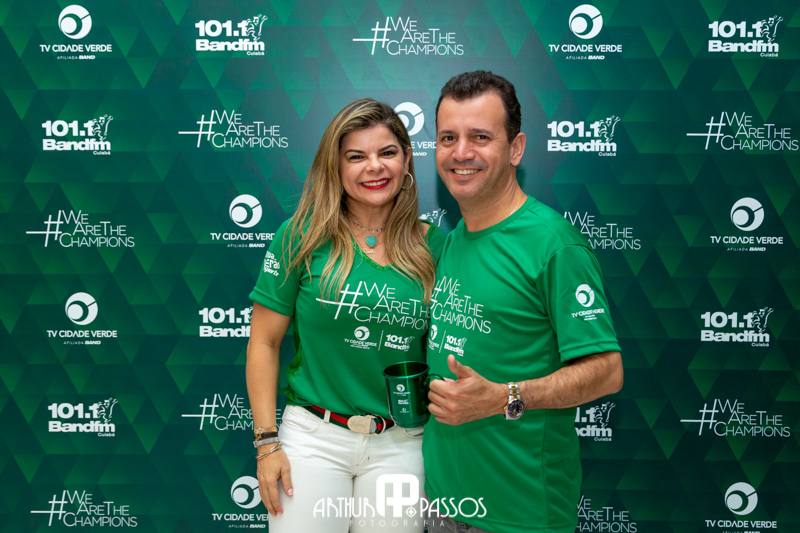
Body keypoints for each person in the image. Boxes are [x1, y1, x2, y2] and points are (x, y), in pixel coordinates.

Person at [423, 71, 624, 533]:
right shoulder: (451, 242)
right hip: (442, 505)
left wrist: (504, 397)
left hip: (521, 515)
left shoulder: (553, 245)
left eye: (480, 137)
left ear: (515, 148)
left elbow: (607, 371)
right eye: (448, 138)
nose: (461, 153)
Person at [246, 98, 446, 533]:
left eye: (387, 152)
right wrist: (266, 444)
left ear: (407, 160)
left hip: (402, 444)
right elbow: (263, 342)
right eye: (356, 156)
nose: (374, 167)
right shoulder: (299, 237)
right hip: (312, 440)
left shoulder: (436, 247)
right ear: (335, 167)